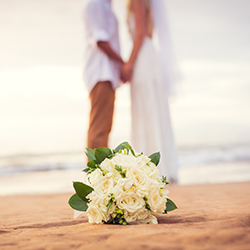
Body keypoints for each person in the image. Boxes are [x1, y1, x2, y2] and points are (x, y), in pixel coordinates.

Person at [122, 0, 179, 183]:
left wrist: (129, 64)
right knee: (153, 111)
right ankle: (161, 167)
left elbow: (140, 34)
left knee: (144, 111)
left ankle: (150, 169)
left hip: (143, 60)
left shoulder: (137, 1)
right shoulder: (148, 4)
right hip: (150, 57)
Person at [83, 0, 124, 149]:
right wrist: (122, 64)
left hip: (107, 73)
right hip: (101, 72)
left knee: (104, 128)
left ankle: (98, 171)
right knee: (99, 129)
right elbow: (100, 39)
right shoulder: (96, 4)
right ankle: (95, 172)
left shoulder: (105, 5)